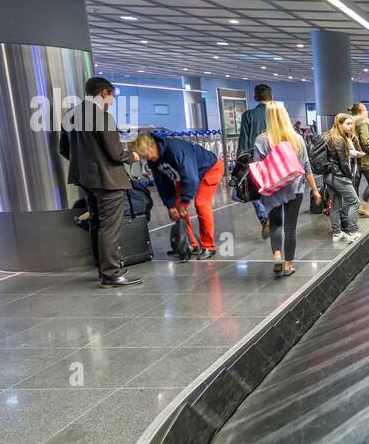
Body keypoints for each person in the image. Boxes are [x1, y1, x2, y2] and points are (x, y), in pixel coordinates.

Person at [59, 77, 142, 288]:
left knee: (97, 223)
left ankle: (103, 269)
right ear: (104, 93)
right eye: (112, 96)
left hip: (85, 179)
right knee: (110, 227)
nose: (112, 102)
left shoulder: (70, 115)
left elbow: (64, 150)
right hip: (108, 180)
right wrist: (131, 156)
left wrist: (86, 165)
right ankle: (112, 273)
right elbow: (115, 153)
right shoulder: (102, 116)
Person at [133, 131, 224, 259]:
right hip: (185, 176)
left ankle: (208, 246)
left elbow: (191, 178)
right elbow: (162, 184)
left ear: (152, 147)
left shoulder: (175, 150)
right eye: (143, 157)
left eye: (146, 155)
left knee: (201, 203)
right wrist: (170, 206)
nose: (146, 159)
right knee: (177, 207)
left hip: (210, 169)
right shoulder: (153, 161)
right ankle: (190, 244)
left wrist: (185, 202)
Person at [252, 104, 319, 276]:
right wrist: (315, 190)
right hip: (295, 188)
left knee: (275, 224)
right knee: (290, 228)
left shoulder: (261, 139)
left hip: (274, 188)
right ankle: (288, 265)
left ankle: (277, 256)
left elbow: (258, 167)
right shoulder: (296, 138)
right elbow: (306, 166)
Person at [238, 84, 273, 239]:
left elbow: (244, 139)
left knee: (254, 190)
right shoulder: (277, 113)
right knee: (275, 189)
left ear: (255, 98)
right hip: (275, 158)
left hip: (255, 158)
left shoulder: (248, 115)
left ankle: (264, 216)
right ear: (270, 97)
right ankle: (275, 218)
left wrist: (242, 159)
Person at [324, 113, 362, 243]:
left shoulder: (330, 136)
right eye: (348, 124)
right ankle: (352, 231)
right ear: (339, 124)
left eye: (352, 124)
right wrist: (349, 176)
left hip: (329, 175)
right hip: (338, 175)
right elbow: (343, 162)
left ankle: (336, 233)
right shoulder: (339, 139)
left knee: (335, 204)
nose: (351, 127)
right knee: (354, 201)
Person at [349, 102, 369, 217]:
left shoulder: (350, 122)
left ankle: (353, 210)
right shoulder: (363, 122)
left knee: (355, 184)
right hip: (363, 157)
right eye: (365, 110)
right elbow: (365, 141)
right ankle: (363, 208)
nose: (367, 112)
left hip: (353, 156)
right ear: (360, 112)